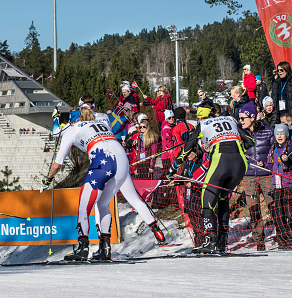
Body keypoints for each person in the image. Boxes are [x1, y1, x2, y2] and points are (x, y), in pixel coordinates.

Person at [42, 96, 166, 261]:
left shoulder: (71, 129)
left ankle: (82, 248)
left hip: (103, 161)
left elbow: (57, 164)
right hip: (122, 159)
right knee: (103, 203)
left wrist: (47, 180)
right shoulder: (102, 121)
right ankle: (105, 248)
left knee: (84, 208)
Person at [168, 105, 255, 254]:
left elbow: (187, 148)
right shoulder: (229, 119)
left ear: (200, 118)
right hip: (240, 163)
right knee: (222, 199)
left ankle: (210, 240)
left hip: (220, 160)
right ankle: (222, 240)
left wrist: (173, 168)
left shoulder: (202, 124)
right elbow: (250, 141)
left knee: (207, 201)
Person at [238, 101, 274, 251]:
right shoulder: (240, 134)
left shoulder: (268, 131)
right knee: (254, 209)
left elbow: (274, 153)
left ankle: (285, 235)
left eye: (242, 118)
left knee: (274, 206)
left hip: (266, 176)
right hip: (248, 177)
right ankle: (259, 240)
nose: (240, 121)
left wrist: (266, 164)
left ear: (252, 117)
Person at [266, 124, 292, 249]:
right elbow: (270, 165)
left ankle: (291, 239)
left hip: (288, 184)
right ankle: (282, 241)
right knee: (278, 214)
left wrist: (287, 160)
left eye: (282, 134)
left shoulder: (290, 148)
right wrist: (264, 165)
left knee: (289, 213)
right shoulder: (273, 149)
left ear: (286, 135)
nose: (279, 136)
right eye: (277, 134)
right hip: (276, 185)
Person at [160, 110, 176, 176]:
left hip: (173, 154)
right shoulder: (166, 128)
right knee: (168, 173)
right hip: (167, 155)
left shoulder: (173, 127)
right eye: (169, 118)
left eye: (173, 117)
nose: (171, 119)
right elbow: (168, 142)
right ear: (166, 119)